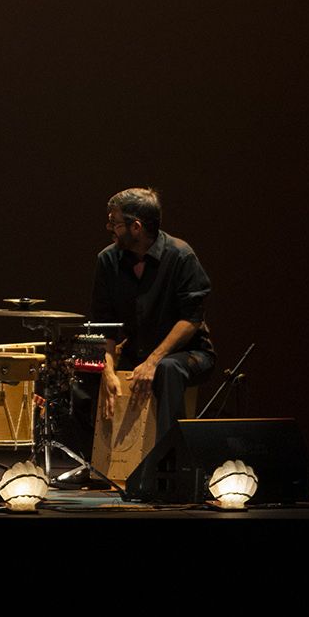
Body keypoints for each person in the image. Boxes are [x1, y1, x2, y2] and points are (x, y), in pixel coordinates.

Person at [91, 186, 215, 447]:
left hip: (188, 354)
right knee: (84, 375)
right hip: (136, 352)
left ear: (136, 227)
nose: (109, 228)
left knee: (167, 370)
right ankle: (92, 462)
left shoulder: (181, 256)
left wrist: (153, 361)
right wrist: (108, 370)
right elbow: (106, 326)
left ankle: (168, 463)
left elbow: (191, 319)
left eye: (115, 223)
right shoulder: (107, 260)